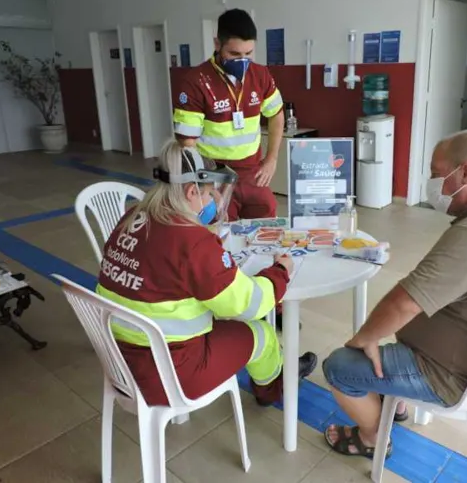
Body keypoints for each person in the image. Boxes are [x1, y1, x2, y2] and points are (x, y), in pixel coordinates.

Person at [320, 130, 467, 457]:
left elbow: (404, 303)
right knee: (385, 335)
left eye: (436, 174)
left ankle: (371, 439)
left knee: (340, 366)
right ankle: (395, 402)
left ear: (466, 173)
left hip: (454, 375)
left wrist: (364, 339)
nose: (431, 184)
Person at [96, 141, 316, 407]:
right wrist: (280, 271)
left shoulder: (132, 217)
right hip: (169, 374)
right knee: (262, 333)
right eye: (210, 193)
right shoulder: (191, 242)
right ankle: (272, 390)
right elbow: (249, 304)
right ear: (191, 191)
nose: (213, 201)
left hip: (120, 361)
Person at [171, 8, 285, 221]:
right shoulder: (195, 81)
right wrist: (204, 184)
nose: (243, 60)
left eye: (248, 53)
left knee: (267, 220)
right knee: (221, 228)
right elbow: (187, 143)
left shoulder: (260, 75)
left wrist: (272, 159)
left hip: (252, 171)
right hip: (215, 173)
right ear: (217, 44)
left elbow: (276, 114)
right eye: (234, 54)